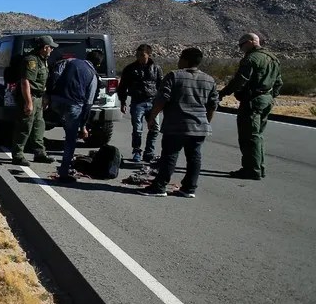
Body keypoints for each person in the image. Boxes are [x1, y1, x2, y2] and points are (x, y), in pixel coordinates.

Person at [139, 47, 218, 198]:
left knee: (169, 156)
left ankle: (159, 187)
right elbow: (213, 105)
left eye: (181, 57)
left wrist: (152, 117)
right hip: (199, 126)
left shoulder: (174, 76)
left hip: (176, 125)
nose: (178, 60)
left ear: (185, 60)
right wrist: (206, 122)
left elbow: (162, 99)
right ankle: (189, 188)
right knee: (194, 157)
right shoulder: (209, 79)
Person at [218, 33, 282, 180]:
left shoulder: (251, 59)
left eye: (242, 45)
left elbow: (240, 80)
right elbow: (278, 82)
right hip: (266, 100)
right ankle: (259, 167)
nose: (241, 49)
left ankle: (251, 170)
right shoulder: (273, 58)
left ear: (251, 42)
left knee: (248, 137)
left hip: (252, 101)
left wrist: (223, 93)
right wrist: (271, 97)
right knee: (258, 135)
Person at [47, 50, 104, 183]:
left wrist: (49, 95)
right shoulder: (93, 76)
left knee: (61, 122)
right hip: (73, 105)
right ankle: (64, 172)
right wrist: (83, 126)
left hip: (56, 102)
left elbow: (55, 74)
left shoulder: (70, 61)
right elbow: (88, 103)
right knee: (70, 139)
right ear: (98, 64)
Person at [10, 35, 57, 166]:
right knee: (25, 126)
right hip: (29, 97)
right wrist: (28, 102)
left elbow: (42, 81)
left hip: (39, 97)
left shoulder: (43, 60)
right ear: (45, 47)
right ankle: (17, 155)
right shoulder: (31, 61)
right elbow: (25, 82)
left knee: (39, 125)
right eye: (51, 48)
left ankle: (39, 153)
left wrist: (45, 96)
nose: (52, 50)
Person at [117, 43, 163, 162]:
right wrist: (123, 102)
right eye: (137, 55)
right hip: (137, 102)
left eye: (142, 55)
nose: (139, 57)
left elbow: (161, 86)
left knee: (155, 129)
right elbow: (122, 86)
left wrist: (161, 103)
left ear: (149, 55)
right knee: (137, 129)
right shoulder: (130, 68)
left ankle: (149, 152)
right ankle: (136, 151)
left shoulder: (156, 68)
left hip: (153, 102)